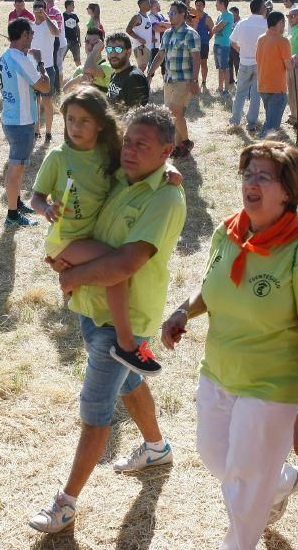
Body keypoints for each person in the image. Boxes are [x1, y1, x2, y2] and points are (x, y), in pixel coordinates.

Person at [161, 141, 298, 548]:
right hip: (219, 370)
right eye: (247, 174)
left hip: (272, 386)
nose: (250, 183)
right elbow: (213, 288)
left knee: (244, 490)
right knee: (214, 456)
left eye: (263, 177)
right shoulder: (229, 230)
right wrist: (184, 312)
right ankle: (280, 479)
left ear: (288, 192)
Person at [28, 104, 185, 534]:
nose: (131, 151)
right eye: (129, 142)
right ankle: (157, 447)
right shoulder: (119, 175)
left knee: (95, 409)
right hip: (92, 308)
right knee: (130, 381)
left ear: (167, 151)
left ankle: (66, 503)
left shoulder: (166, 198)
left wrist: (70, 274)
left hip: (123, 323)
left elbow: (123, 266)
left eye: (144, 145)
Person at [31, 88, 162, 375]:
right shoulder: (57, 157)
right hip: (65, 240)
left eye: (84, 121)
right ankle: (127, 343)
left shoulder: (107, 153)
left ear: (101, 124)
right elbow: (35, 197)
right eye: (70, 120)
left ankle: (73, 288)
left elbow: (139, 163)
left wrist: (170, 168)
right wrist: (46, 209)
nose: (75, 127)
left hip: (91, 236)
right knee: (116, 268)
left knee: (112, 270)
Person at [0, 18, 51, 227]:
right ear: (23, 35)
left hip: (11, 117)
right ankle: (12, 215)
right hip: (21, 121)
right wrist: (40, 63)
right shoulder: (23, 60)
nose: (32, 37)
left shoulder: (7, 55)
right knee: (16, 168)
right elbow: (44, 87)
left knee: (17, 167)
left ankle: (17, 202)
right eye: (30, 33)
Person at [146, 0, 200, 157]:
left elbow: (196, 58)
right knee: (174, 116)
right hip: (168, 79)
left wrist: (195, 80)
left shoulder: (191, 34)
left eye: (173, 13)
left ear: (183, 15)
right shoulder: (167, 33)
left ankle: (186, 142)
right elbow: (161, 54)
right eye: (169, 13)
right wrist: (150, 71)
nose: (169, 15)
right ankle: (178, 147)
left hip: (184, 80)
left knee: (174, 112)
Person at [229, 0, 267, 134]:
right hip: (260, 64)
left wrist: (241, 50)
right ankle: (251, 123)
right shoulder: (267, 24)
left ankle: (235, 120)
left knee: (240, 93)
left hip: (244, 62)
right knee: (256, 95)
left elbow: (232, 41)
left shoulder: (242, 23)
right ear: (262, 9)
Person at [256, 11, 294, 139]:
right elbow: (289, 66)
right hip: (277, 89)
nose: (284, 26)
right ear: (281, 22)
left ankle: (261, 147)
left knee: (269, 121)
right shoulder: (283, 41)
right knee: (272, 129)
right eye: (284, 23)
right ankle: (262, 150)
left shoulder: (261, 39)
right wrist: (294, 60)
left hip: (263, 86)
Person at [30, 0, 60, 142]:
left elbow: (56, 32)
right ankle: (36, 131)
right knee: (35, 101)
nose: (39, 9)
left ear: (46, 8)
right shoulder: (30, 26)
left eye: (41, 7)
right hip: (32, 68)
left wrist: (45, 16)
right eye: (36, 6)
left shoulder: (51, 23)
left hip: (47, 68)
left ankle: (48, 132)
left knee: (47, 102)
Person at [105, 32, 150, 110]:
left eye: (118, 49)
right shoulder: (115, 75)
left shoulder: (134, 78)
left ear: (129, 51)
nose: (113, 54)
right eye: (109, 49)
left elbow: (136, 115)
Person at [65, 29, 112, 94]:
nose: (90, 46)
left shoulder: (108, 67)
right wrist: (79, 78)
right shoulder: (80, 69)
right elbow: (65, 91)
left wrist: (95, 50)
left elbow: (89, 69)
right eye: (87, 42)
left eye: (95, 43)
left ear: (101, 46)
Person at [212, 0, 235, 95]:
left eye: (217, 3)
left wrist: (216, 27)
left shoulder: (228, 15)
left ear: (222, 4)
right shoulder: (220, 16)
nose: (215, 5)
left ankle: (226, 89)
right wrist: (216, 27)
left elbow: (215, 29)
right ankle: (220, 88)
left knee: (225, 68)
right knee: (220, 68)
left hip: (224, 45)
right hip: (217, 44)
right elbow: (215, 29)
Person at [126, 0, 154, 72]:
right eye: (148, 3)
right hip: (140, 47)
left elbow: (145, 29)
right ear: (142, 5)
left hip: (147, 46)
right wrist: (139, 39)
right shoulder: (137, 17)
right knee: (142, 67)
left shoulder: (147, 16)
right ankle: (136, 82)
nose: (150, 5)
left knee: (143, 68)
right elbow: (128, 30)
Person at [192, 0, 214, 90]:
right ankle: (194, 80)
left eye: (200, 5)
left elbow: (212, 31)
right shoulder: (192, 17)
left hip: (203, 44)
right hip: (193, 44)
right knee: (193, 63)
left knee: (203, 63)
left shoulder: (207, 18)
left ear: (204, 6)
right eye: (197, 5)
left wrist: (207, 39)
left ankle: (204, 81)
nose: (198, 7)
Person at [148, 0, 171, 76]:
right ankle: (147, 86)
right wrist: (165, 26)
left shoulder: (161, 16)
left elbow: (171, 25)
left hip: (164, 45)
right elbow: (157, 29)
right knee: (151, 69)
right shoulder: (150, 17)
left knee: (165, 68)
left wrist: (161, 24)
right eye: (158, 4)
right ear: (154, 6)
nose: (160, 5)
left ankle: (165, 86)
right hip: (155, 46)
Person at [63, 0, 82, 66]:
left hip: (74, 41)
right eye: (72, 5)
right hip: (65, 41)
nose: (74, 7)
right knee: (60, 59)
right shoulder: (62, 16)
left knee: (77, 59)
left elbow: (77, 28)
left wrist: (79, 39)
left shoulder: (74, 16)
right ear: (68, 6)